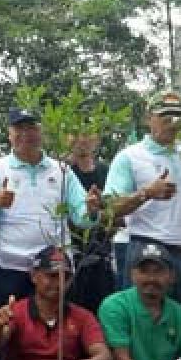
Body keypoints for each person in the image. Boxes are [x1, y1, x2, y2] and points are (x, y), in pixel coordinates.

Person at [0, 108, 101, 328]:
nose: (26, 134)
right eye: (19, 128)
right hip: (11, 268)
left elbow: (82, 218)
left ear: (41, 132)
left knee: (56, 338)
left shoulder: (62, 171)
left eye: (31, 127)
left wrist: (90, 209)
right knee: (7, 337)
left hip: (53, 269)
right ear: (9, 134)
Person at [106, 90, 181, 326]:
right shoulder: (130, 157)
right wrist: (147, 193)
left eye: (178, 116)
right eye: (165, 115)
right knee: (142, 325)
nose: (173, 122)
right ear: (148, 118)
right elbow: (111, 208)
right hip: (147, 250)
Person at [67, 133, 118, 315]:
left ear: (96, 139)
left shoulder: (106, 171)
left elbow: (116, 211)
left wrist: (100, 210)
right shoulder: (63, 172)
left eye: (87, 135)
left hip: (101, 249)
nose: (82, 139)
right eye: (77, 134)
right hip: (70, 250)